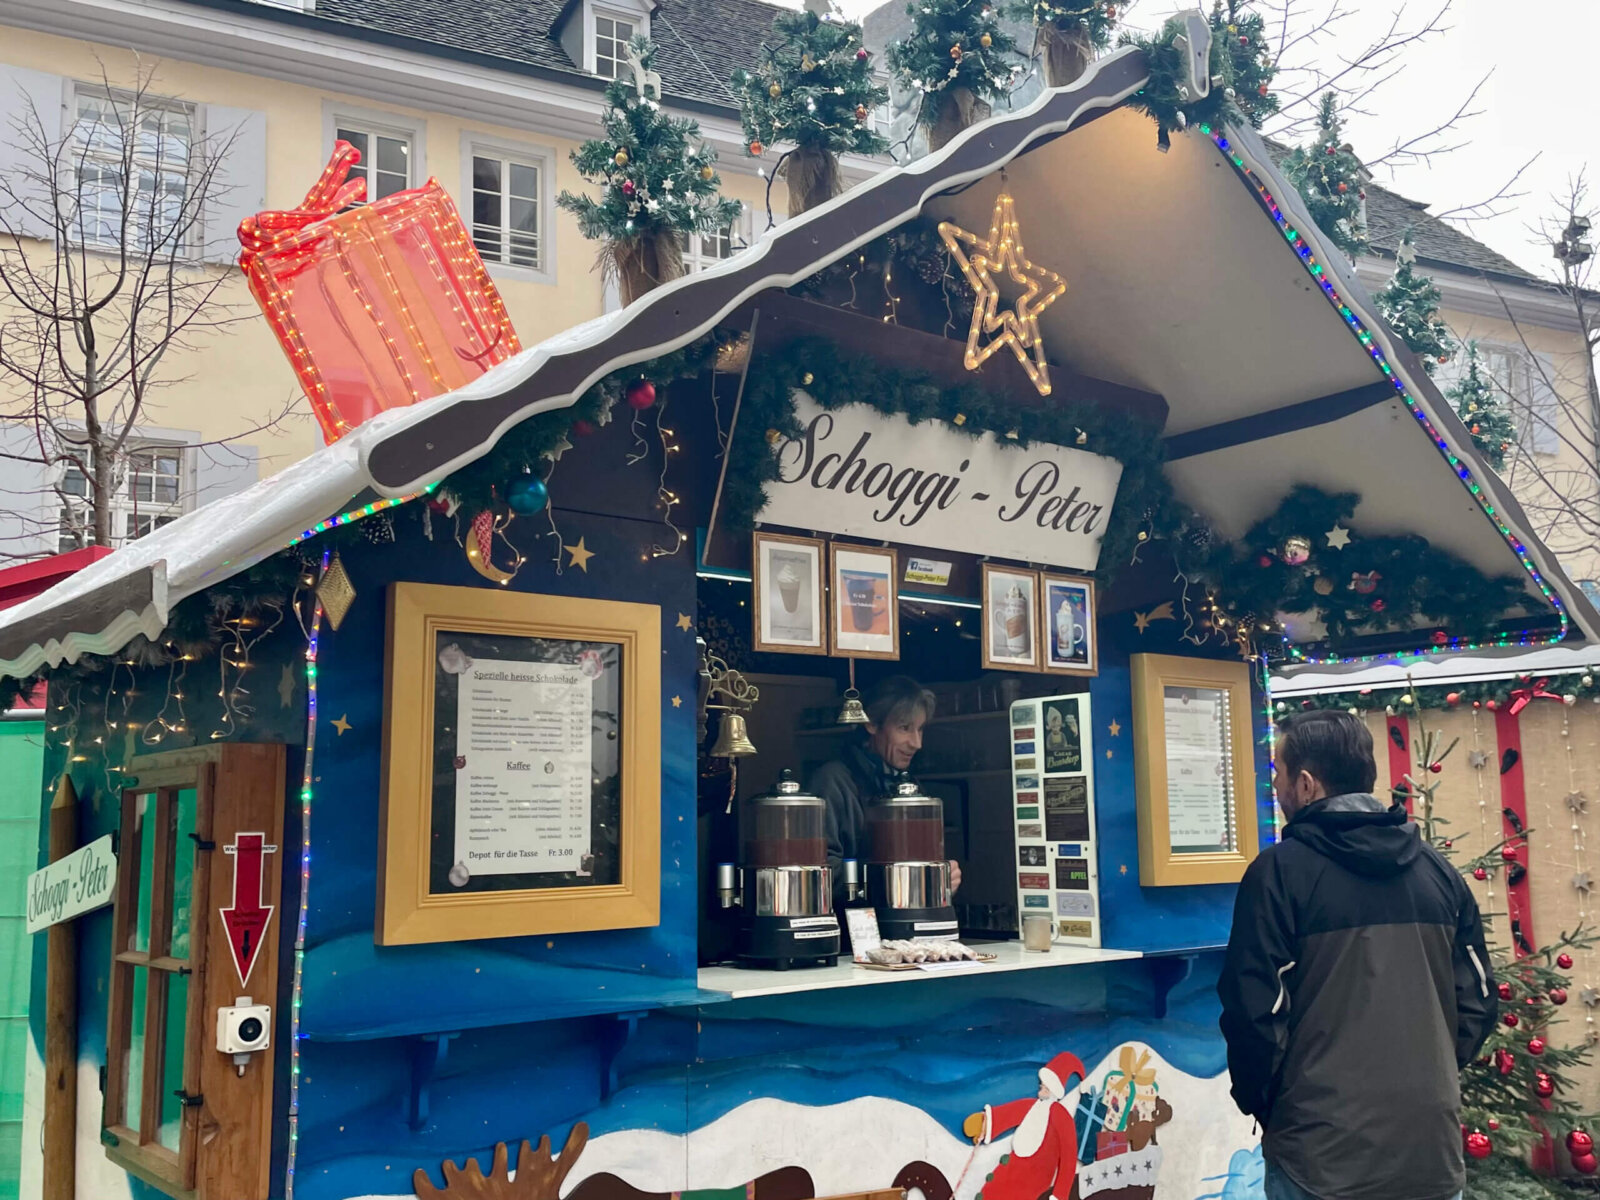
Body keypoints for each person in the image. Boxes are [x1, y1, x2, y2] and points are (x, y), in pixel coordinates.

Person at [1219, 710, 1496, 1200]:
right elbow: (1477, 999)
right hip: (1426, 1150)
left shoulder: (1278, 876)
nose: (1275, 786)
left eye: (1278, 774)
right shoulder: (1437, 873)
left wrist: (1271, 1106)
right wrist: (1428, 1078)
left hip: (1318, 1157)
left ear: (1306, 785)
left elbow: (1254, 1013)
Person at [810, 675, 961, 915]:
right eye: (904, 728)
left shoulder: (912, 787)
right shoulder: (833, 781)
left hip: (910, 930)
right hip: (849, 934)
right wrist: (894, 878)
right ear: (871, 724)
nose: (917, 743)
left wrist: (943, 876)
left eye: (920, 729)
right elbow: (817, 872)